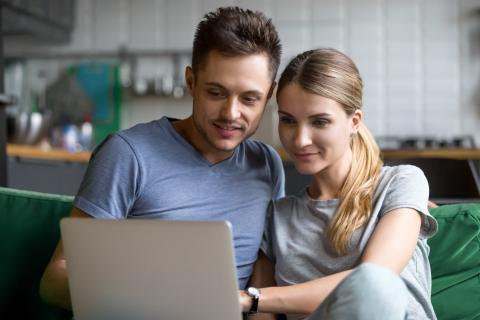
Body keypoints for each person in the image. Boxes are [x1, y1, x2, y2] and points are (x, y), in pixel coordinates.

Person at [40, 6, 285, 310]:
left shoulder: (267, 165)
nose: (231, 114)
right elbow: (54, 280)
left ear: (269, 95)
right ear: (191, 82)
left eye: (249, 98)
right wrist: (160, 300)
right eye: (216, 92)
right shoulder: (127, 154)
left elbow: (262, 273)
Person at [239, 48, 438, 320]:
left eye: (319, 122)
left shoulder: (400, 183)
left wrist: (254, 298)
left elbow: (376, 281)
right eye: (288, 121)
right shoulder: (277, 217)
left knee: (374, 283)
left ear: (354, 121)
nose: (299, 140)